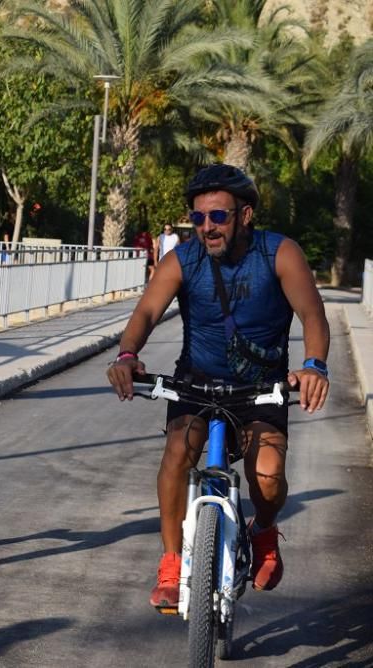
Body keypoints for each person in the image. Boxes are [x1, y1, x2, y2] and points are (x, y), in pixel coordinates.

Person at [106, 164, 330, 611]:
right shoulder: (183, 259)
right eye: (198, 218)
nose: (207, 227)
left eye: (218, 217)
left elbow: (312, 315)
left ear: (245, 215)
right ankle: (171, 562)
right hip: (196, 384)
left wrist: (313, 366)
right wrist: (127, 355)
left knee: (266, 475)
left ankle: (263, 529)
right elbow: (146, 314)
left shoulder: (278, 253)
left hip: (261, 388)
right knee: (176, 455)